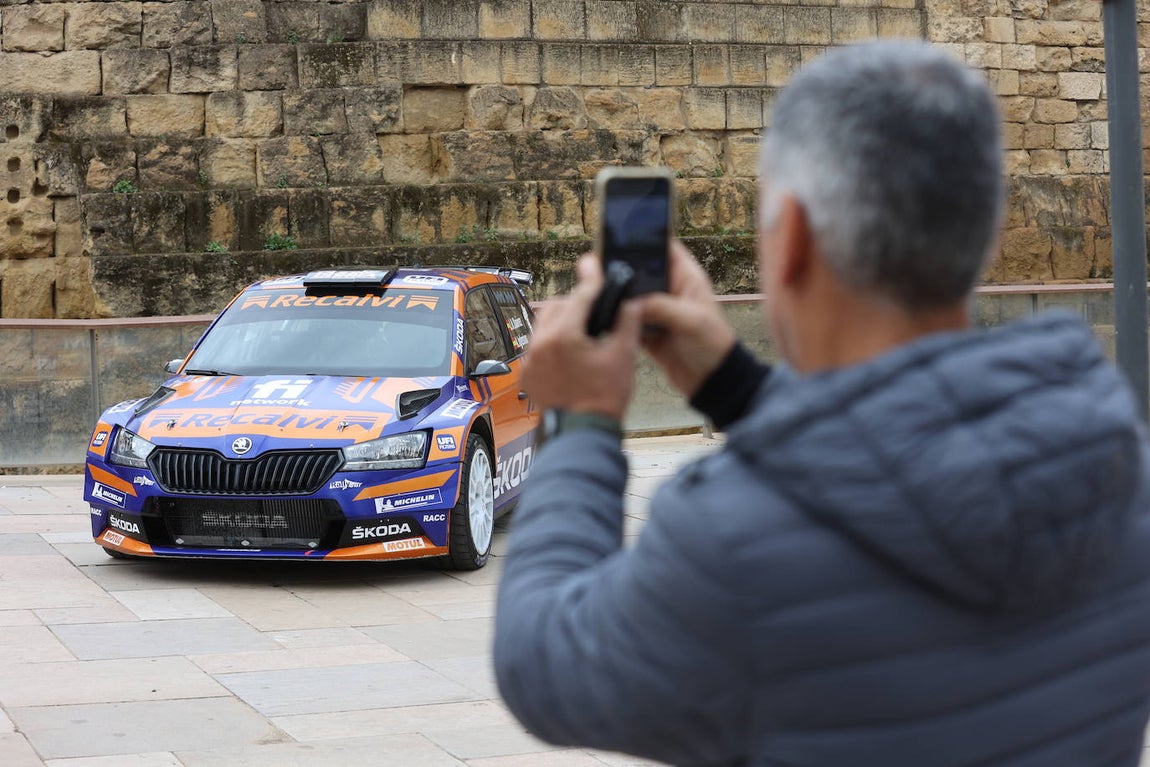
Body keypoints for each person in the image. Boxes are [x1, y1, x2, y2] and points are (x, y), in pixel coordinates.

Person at [492, 39, 1150, 767]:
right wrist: (733, 385)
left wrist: (579, 419)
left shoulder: (729, 543)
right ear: (984, 231)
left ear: (793, 238)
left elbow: (542, 662)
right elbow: (908, 468)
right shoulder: (1120, 468)